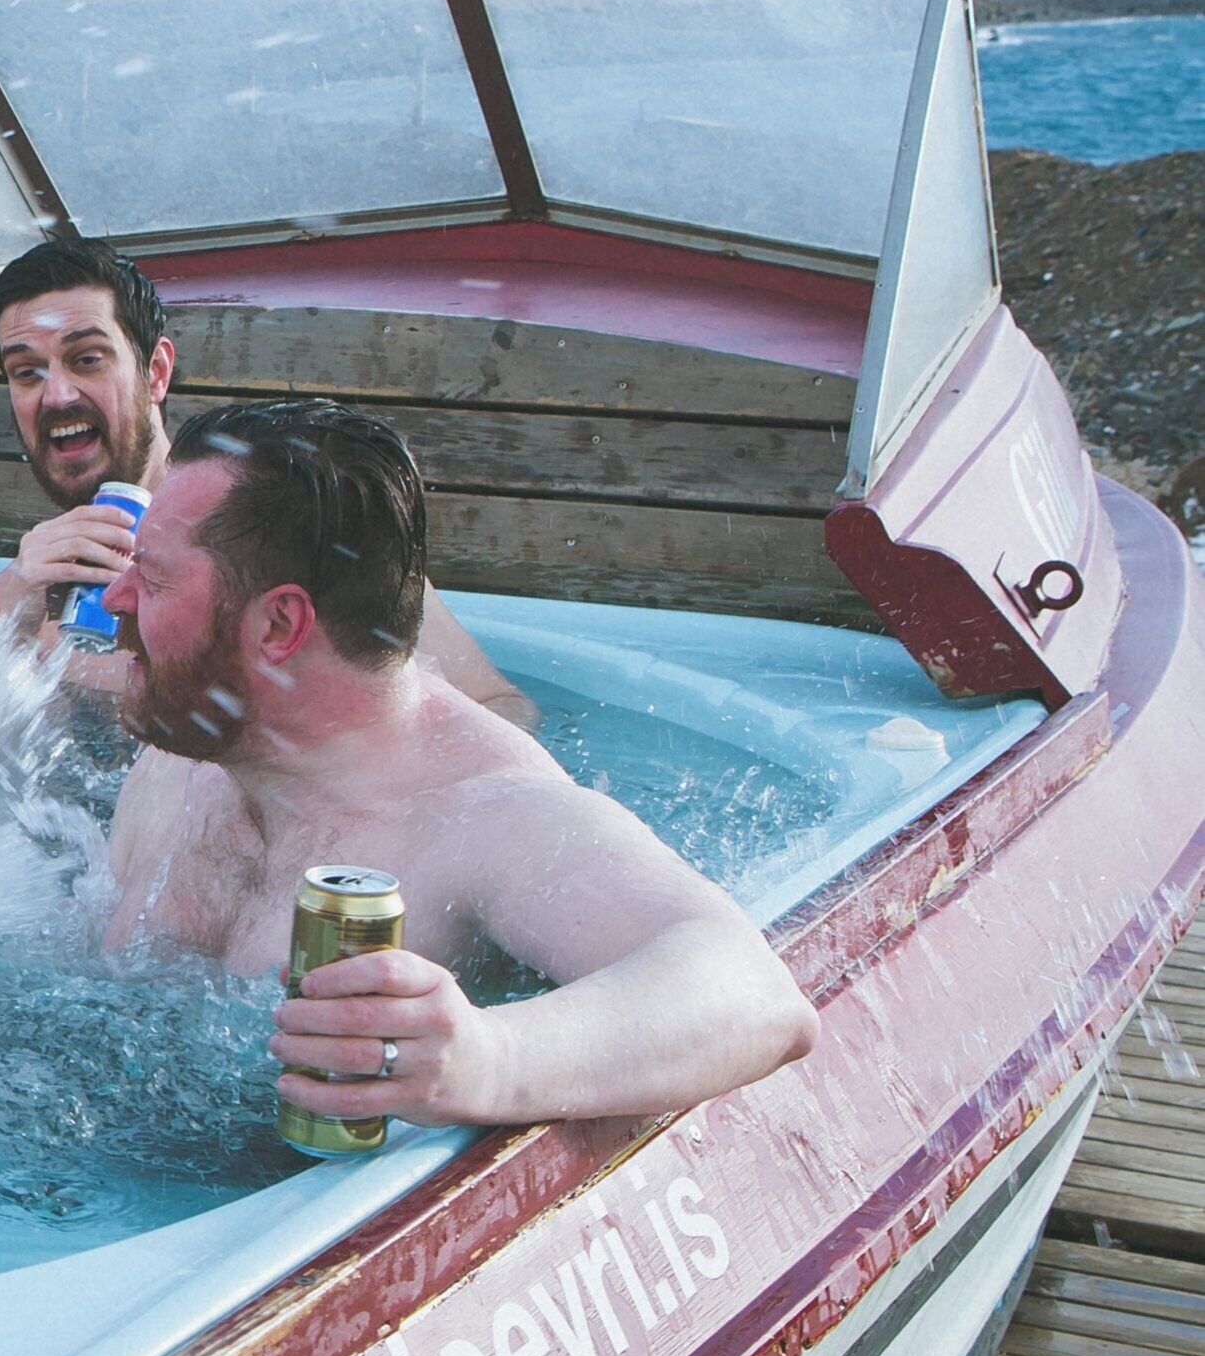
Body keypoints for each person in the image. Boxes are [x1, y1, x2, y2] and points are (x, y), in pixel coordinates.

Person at [99, 400, 817, 1126]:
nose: (113, 597)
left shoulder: (481, 815)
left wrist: (493, 1058)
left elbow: (754, 994)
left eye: (152, 580)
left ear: (280, 624)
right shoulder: (186, 753)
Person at [0, 233, 534, 726]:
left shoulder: (294, 523)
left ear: (155, 372)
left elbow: (503, 712)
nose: (57, 395)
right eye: (26, 372)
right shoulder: (13, 602)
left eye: (87, 359)